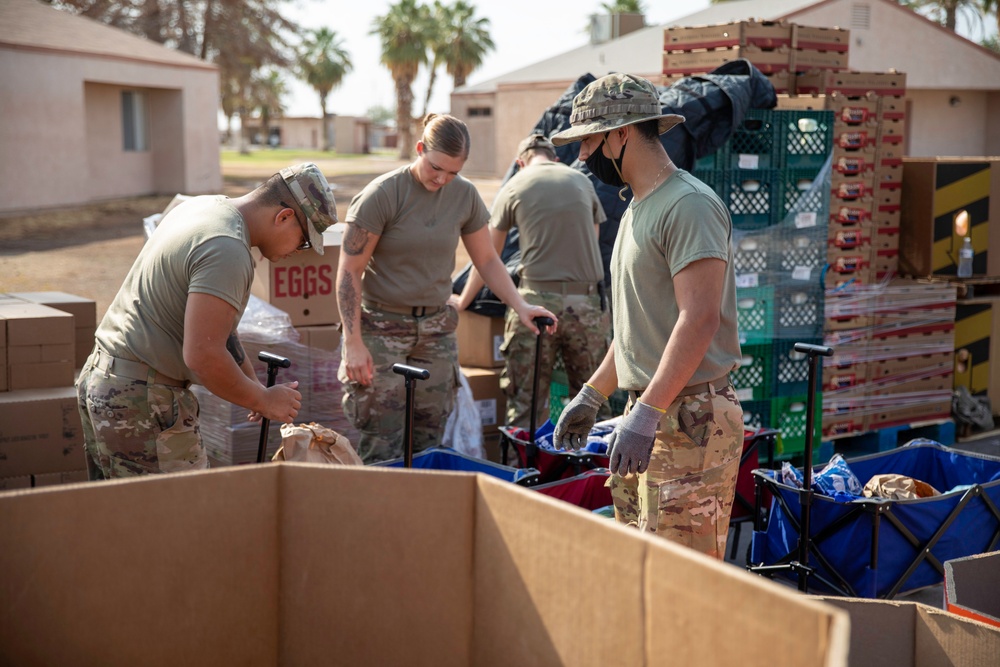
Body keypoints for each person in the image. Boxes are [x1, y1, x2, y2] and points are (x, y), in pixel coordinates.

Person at [550, 73, 744, 560]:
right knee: (643, 574)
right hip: (651, 414)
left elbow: (697, 320)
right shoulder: (640, 207)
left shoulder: (688, 205)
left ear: (622, 134)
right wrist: (593, 395)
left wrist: (648, 413)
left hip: (690, 419)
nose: (583, 155)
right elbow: (639, 329)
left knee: (682, 587)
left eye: (590, 140)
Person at [76, 163, 337, 479]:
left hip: (109, 381)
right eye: (303, 240)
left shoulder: (204, 208)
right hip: (141, 401)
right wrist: (264, 399)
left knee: (122, 520)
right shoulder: (228, 248)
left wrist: (250, 385)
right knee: (182, 520)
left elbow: (219, 333)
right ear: (283, 217)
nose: (298, 251)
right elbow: (202, 355)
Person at [337, 114, 557, 463]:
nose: (441, 179)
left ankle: (425, 513)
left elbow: (487, 260)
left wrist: (521, 306)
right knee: (382, 438)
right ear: (420, 149)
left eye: (452, 172)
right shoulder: (382, 194)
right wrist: (353, 341)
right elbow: (350, 270)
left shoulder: (465, 196)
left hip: (436, 331)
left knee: (430, 438)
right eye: (435, 167)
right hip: (381, 327)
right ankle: (379, 514)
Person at [458, 133, 610, 430]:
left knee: (525, 408)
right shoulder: (582, 181)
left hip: (535, 307)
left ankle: (525, 472)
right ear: (554, 159)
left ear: (520, 163)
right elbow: (593, 239)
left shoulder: (514, 185)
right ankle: (591, 473)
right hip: (587, 306)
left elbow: (488, 257)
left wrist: (463, 300)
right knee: (593, 405)